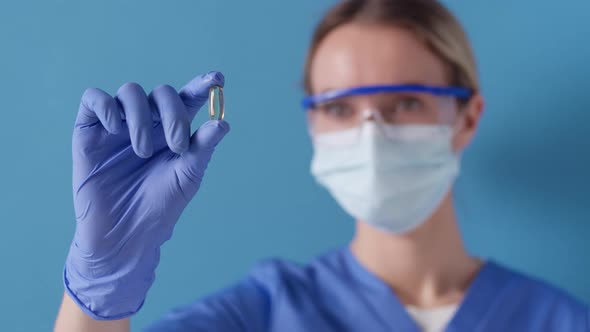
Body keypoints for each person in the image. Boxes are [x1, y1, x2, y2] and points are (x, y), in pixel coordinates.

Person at [54, 0, 589, 331]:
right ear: (313, 125)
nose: (371, 133)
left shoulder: (561, 322)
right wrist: (101, 287)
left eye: (405, 102)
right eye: (339, 108)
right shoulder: (259, 316)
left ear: (468, 118)